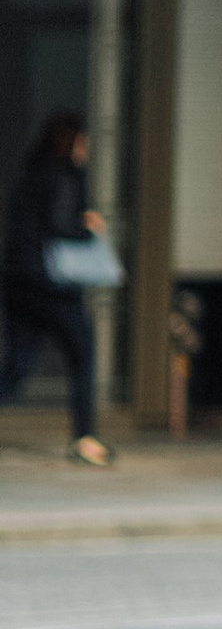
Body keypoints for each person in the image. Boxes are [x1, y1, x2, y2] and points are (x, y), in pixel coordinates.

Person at [0, 110, 113, 466]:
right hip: (52, 287)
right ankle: (84, 437)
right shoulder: (65, 176)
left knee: (18, 364)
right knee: (82, 355)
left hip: (18, 282)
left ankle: (85, 437)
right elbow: (61, 223)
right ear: (74, 141)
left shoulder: (29, 174)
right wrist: (89, 227)